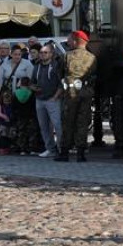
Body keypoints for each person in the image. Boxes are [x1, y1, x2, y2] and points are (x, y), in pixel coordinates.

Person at [56, 31, 96, 162]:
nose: (68, 42)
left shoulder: (67, 56)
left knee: (68, 122)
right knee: (82, 122)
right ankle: (80, 153)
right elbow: (94, 75)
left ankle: (64, 152)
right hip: (86, 93)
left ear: (75, 41)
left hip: (70, 93)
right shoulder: (92, 57)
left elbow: (59, 73)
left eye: (69, 40)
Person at [32, 42, 65, 158]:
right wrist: (32, 87)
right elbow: (33, 82)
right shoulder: (37, 66)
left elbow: (62, 83)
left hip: (53, 100)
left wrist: (55, 97)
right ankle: (50, 149)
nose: (42, 55)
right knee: (44, 126)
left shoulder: (56, 66)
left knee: (57, 125)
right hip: (39, 100)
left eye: (45, 52)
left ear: (51, 54)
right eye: (41, 52)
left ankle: (62, 149)